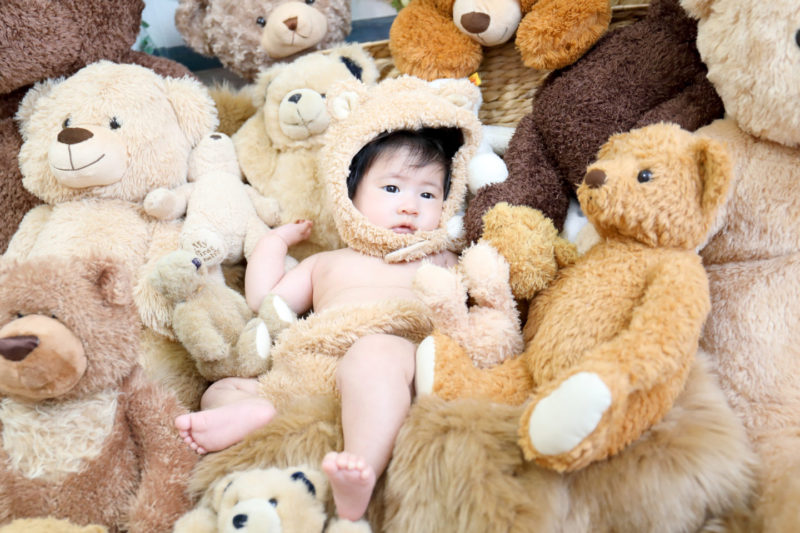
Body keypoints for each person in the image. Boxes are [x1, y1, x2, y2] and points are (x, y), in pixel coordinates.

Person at [174, 128, 462, 521]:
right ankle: (256, 412)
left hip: (390, 355)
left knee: (374, 354)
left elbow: (471, 304)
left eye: (427, 194)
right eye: (392, 188)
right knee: (222, 388)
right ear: (350, 196)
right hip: (313, 366)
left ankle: (359, 470)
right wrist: (274, 244)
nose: (410, 206)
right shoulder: (325, 263)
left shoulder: (441, 257)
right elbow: (265, 299)